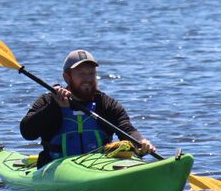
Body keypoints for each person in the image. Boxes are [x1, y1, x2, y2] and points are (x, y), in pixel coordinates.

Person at [20, 49, 156, 166]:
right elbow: (27, 132)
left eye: (91, 73)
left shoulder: (106, 104)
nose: (88, 79)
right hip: (56, 167)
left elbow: (126, 128)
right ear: (67, 77)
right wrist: (54, 107)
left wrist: (140, 142)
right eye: (81, 74)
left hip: (99, 165)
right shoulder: (49, 100)